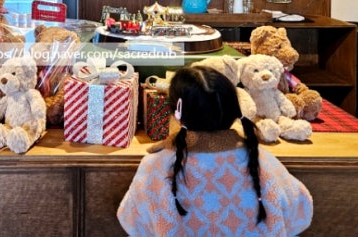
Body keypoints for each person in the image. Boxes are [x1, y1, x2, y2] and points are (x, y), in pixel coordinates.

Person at [117, 64, 313, 236]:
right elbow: (301, 213)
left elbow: (132, 222)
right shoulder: (262, 159)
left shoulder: (156, 164)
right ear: (235, 110)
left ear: (176, 112)